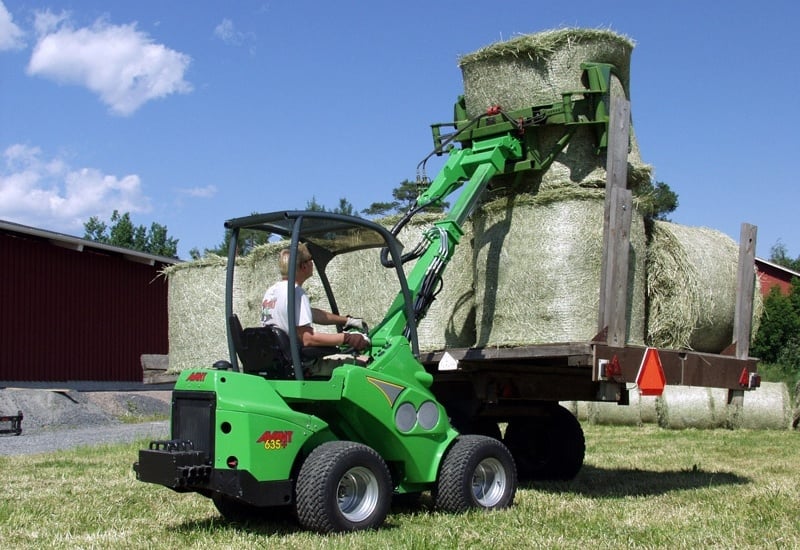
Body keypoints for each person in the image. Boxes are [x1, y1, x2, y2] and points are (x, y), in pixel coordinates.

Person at [261, 243, 369, 376]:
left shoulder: (272, 291)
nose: (313, 263)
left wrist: (347, 320)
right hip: (303, 366)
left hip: (281, 362)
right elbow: (308, 339)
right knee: (364, 368)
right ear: (304, 266)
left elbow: (312, 314)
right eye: (310, 260)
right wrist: (348, 338)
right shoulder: (296, 292)